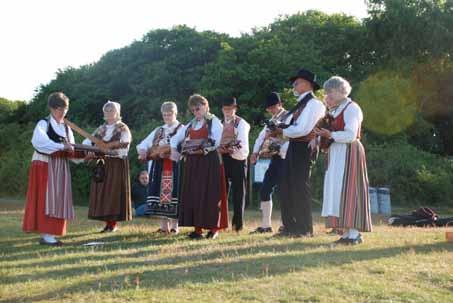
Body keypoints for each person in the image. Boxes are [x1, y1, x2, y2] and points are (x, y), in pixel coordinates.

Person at [315, 76, 372, 245]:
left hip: (349, 151)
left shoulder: (351, 108)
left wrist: (330, 134)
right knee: (337, 192)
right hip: (337, 152)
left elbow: (351, 134)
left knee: (349, 190)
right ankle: (346, 233)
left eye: (330, 92)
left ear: (341, 91)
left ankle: (354, 234)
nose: (327, 96)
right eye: (326, 93)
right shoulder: (335, 109)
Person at [22, 92, 80, 245]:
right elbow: (39, 142)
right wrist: (62, 146)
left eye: (65, 109)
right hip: (44, 165)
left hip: (60, 167)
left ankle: (52, 233)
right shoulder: (43, 124)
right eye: (59, 109)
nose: (63, 112)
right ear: (52, 109)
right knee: (46, 199)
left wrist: (83, 156)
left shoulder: (67, 128)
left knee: (58, 200)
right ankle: (46, 235)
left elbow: (72, 149)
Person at [170, 94, 228, 240]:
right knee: (195, 194)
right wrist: (178, 148)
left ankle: (214, 229)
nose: (196, 112)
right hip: (193, 163)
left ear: (206, 106)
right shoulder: (191, 124)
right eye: (193, 110)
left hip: (209, 162)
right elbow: (177, 138)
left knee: (210, 194)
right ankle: (197, 229)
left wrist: (201, 148)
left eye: (198, 108)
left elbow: (217, 141)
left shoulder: (213, 121)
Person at [276, 68, 325, 237]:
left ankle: (304, 229)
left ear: (307, 84)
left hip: (304, 148)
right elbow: (291, 126)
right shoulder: (302, 103)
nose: (294, 85)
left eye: (297, 82)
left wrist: (282, 130)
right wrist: (283, 128)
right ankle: (290, 226)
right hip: (294, 147)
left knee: (299, 187)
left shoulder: (314, 104)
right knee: (286, 186)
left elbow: (302, 129)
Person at [83, 101, 132, 232]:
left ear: (117, 112)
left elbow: (125, 146)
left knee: (112, 193)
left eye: (111, 110)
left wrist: (111, 148)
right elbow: (87, 141)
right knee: (103, 193)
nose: (109, 113)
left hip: (116, 164)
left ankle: (112, 224)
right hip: (102, 163)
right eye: (107, 110)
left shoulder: (122, 128)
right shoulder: (101, 129)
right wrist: (90, 150)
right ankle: (107, 223)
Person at [136, 101, 183, 233]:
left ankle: (175, 227)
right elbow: (144, 143)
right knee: (160, 195)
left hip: (175, 166)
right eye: (164, 115)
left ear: (175, 113)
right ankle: (164, 227)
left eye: (170, 114)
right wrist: (144, 151)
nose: (167, 117)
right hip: (159, 166)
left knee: (174, 195)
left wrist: (170, 151)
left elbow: (184, 146)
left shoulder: (182, 128)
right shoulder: (159, 130)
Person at [250, 92, 289, 233]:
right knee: (265, 189)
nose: (271, 110)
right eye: (269, 108)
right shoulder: (271, 119)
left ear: (280, 104)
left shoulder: (289, 116)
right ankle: (266, 225)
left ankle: (287, 224)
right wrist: (255, 153)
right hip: (275, 159)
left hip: (287, 159)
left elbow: (294, 135)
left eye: (273, 107)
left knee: (286, 192)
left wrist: (279, 146)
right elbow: (261, 137)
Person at [219, 97, 250, 232]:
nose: (227, 112)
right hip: (223, 159)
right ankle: (221, 222)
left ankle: (238, 224)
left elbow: (242, 142)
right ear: (222, 110)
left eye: (230, 109)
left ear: (235, 109)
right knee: (221, 191)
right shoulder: (219, 124)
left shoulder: (241, 123)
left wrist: (229, 148)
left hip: (238, 159)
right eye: (225, 109)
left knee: (238, 192)